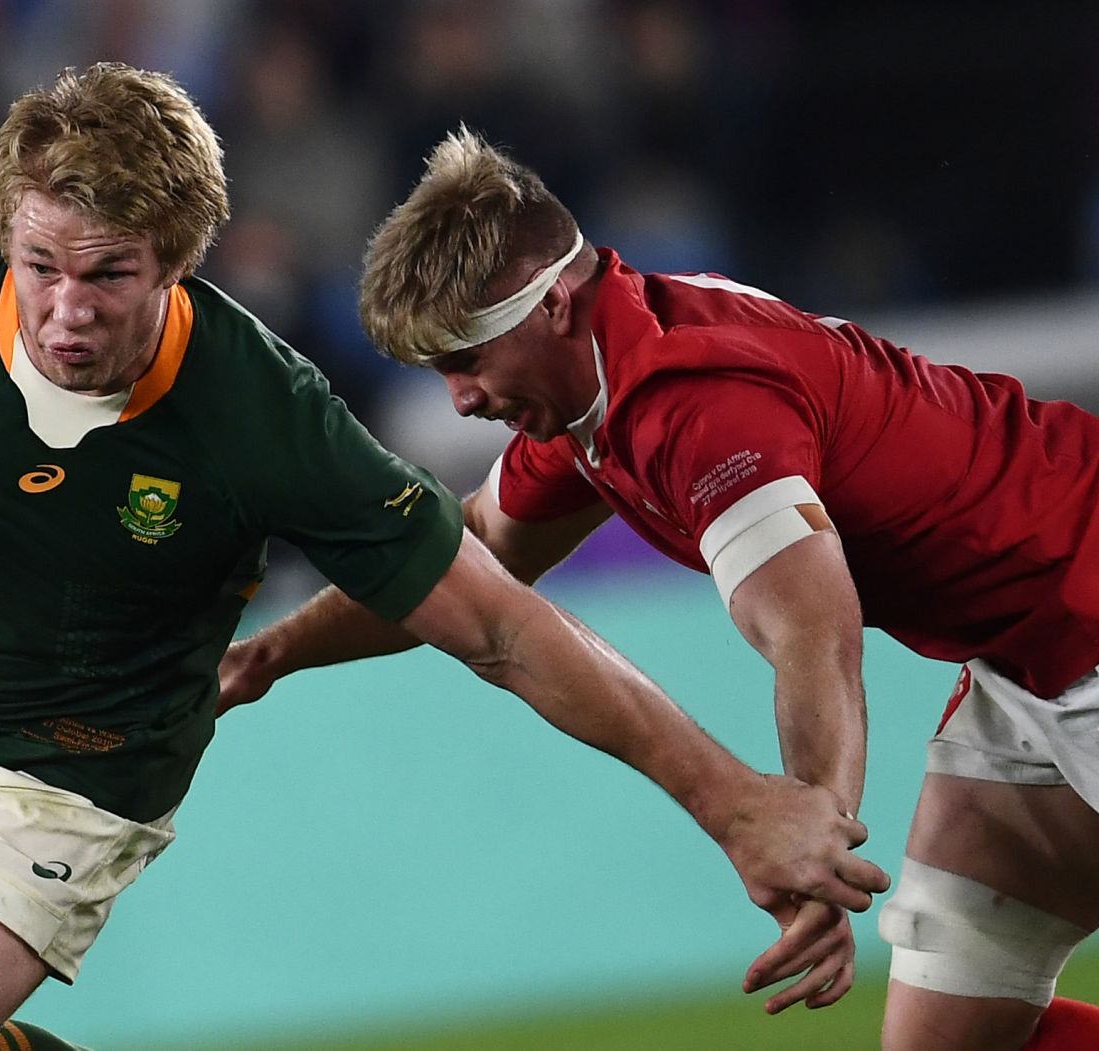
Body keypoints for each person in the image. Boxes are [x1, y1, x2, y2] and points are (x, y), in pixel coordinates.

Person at [0, 67, 884, 1051]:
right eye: (40, 263)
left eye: (107, 275)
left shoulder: (260, 416)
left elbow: (498, 624)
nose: (63, 309)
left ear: (176, 260)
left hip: (62, 784)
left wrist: (730, 801)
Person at [218, 126, 1099, 1049]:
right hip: (1026, 659)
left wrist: (811, 840)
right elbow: (459, 560)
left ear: (552, 300)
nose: (462, 401)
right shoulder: (599, 389)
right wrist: (267, 653)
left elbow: (810, 624)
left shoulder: (690, 400)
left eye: (466, 360)